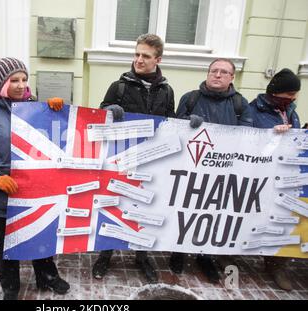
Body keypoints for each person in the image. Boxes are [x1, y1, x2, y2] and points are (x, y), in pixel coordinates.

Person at [0, 57, 70, 300]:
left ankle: (47, 276)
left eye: (24, 79)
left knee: (41, 234)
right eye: (14, 80)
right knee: (7, 243)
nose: (21, 85)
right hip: (5, 194)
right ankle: (10, 285)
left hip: (38, 191)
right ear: (2, 83)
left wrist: (58, 113)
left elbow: (61, 140)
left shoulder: (39, 110)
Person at [92, 34, 176, 283]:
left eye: (145, 56)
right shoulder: (119, 86)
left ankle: (141, 255)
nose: (139, 60)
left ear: (157, 59)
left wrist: (187, 124)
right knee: (113, 205)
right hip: (121, 157)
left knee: (146, 207)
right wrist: (109, 110)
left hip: (152, 160)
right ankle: (105, 254)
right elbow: (101, 114)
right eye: (137, 54)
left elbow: (171, 121)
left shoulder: (167, 90)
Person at [172, 58, 253, 283]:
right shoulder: (191, 98)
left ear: (232, 78)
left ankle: (204, 255)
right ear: (207, 73)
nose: (217, 75)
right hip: (191, 165)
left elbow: (248, 134)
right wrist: (189, 122)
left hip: (222, 168)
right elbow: (175, 126)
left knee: (211, 213)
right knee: (185, 210)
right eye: (214, 71)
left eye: (223, 72)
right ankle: (177, 251)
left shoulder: (240, 103)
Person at [249, 68, 302, 291]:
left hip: (285, 172)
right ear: (276, 92)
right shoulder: (253, 110)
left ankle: (276, 263)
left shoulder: (291, 111)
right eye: (289, 93)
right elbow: (246, 140)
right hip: (260, 172)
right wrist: (272, 135)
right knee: (253, 215)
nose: (293, 98)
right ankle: (232, 255)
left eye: (295, 93)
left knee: (283, 217)